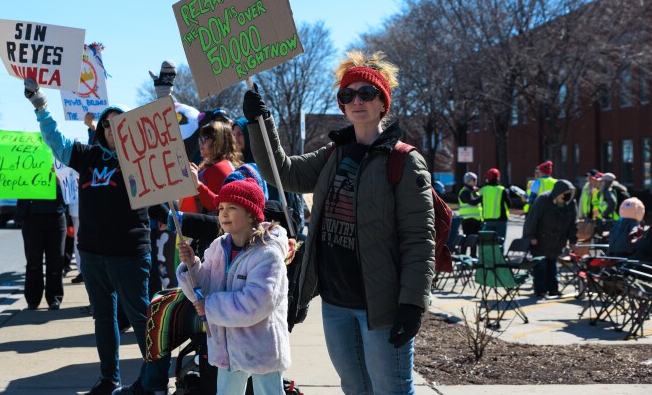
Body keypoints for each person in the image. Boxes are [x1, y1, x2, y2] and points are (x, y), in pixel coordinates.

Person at [245, 50, 435, 395]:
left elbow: (419, 239)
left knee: (390, 390)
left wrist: (412, 303)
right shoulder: (333, 154)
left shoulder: (404, 161)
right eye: (348, 95)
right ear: (342, 106)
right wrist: (260, 123)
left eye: (366, 93)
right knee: (354, 389)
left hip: (381, 305)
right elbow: (283, 171)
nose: (356, 101)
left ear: (383, 103)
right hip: (335, 302)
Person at [23, 78, 160, 395]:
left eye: (120, 125)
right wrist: (40, 104)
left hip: (130, 254)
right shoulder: (86, 155)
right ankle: (110, 378)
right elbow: (54, 140)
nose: (113, 131)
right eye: (108, 127)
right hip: (93, 255)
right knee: (103, 319)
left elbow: (164, 141)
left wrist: (163, 94)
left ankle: (153, 382)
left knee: (140, 318)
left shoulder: (142, 159)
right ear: (102, 131)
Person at [177, 178, 290, 395]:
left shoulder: (268, 254)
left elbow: (256, 302)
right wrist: (192, 265)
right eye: (220, 208)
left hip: (261, 347)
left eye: (232, 207)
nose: (224, 213)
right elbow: (205, 285)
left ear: (251, 214)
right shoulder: (218, 247)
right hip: (227, 347)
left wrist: (209, 307)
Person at [17, 179, 67, 311]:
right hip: (32, 215)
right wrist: (0, 159)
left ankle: (54, 299)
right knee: (33, 262)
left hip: (56, 214)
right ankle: (33, 300)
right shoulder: (24, 158)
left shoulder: (60, 159)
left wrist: (60, 178)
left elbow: (72, 179)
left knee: (56, 261)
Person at [523, 180, 578, 299]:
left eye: (570, 192)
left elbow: (573, 224)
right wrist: (531, 236)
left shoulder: (571, 204)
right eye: (566, 192)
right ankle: (540, 290)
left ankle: (553, 289)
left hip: (557, 241)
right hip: (541, 239)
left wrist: (573, 240)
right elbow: (532, 219)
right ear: (558, 192)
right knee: (541, 265)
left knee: (552, 265)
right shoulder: (544, 200)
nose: (568, 195)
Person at [181, 121, 241, 214]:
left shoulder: (219, 168)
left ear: (219, 141)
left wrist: (198, 184)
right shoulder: (214, 166)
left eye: (207, 137)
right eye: (201, 137)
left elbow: (220, 207)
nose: (201, 142)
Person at [480, 168, 512, 242]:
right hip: (501, 220)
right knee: (500, 242)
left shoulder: (483, 190)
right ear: (498, 177)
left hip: (487, 220)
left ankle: (489, 254)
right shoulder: (502, 190)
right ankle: (499, 254)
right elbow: (509, 204)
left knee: (487, 243)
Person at [458, 172, 483, 236]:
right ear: (468, 181)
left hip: (477, 220)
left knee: (475, 241)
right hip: (468, 220)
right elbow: (472, 202)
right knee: (468, 240)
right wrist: (482, 197)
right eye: (474, 180)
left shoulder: (474, 191)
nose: (476, 181)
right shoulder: (464, 192)